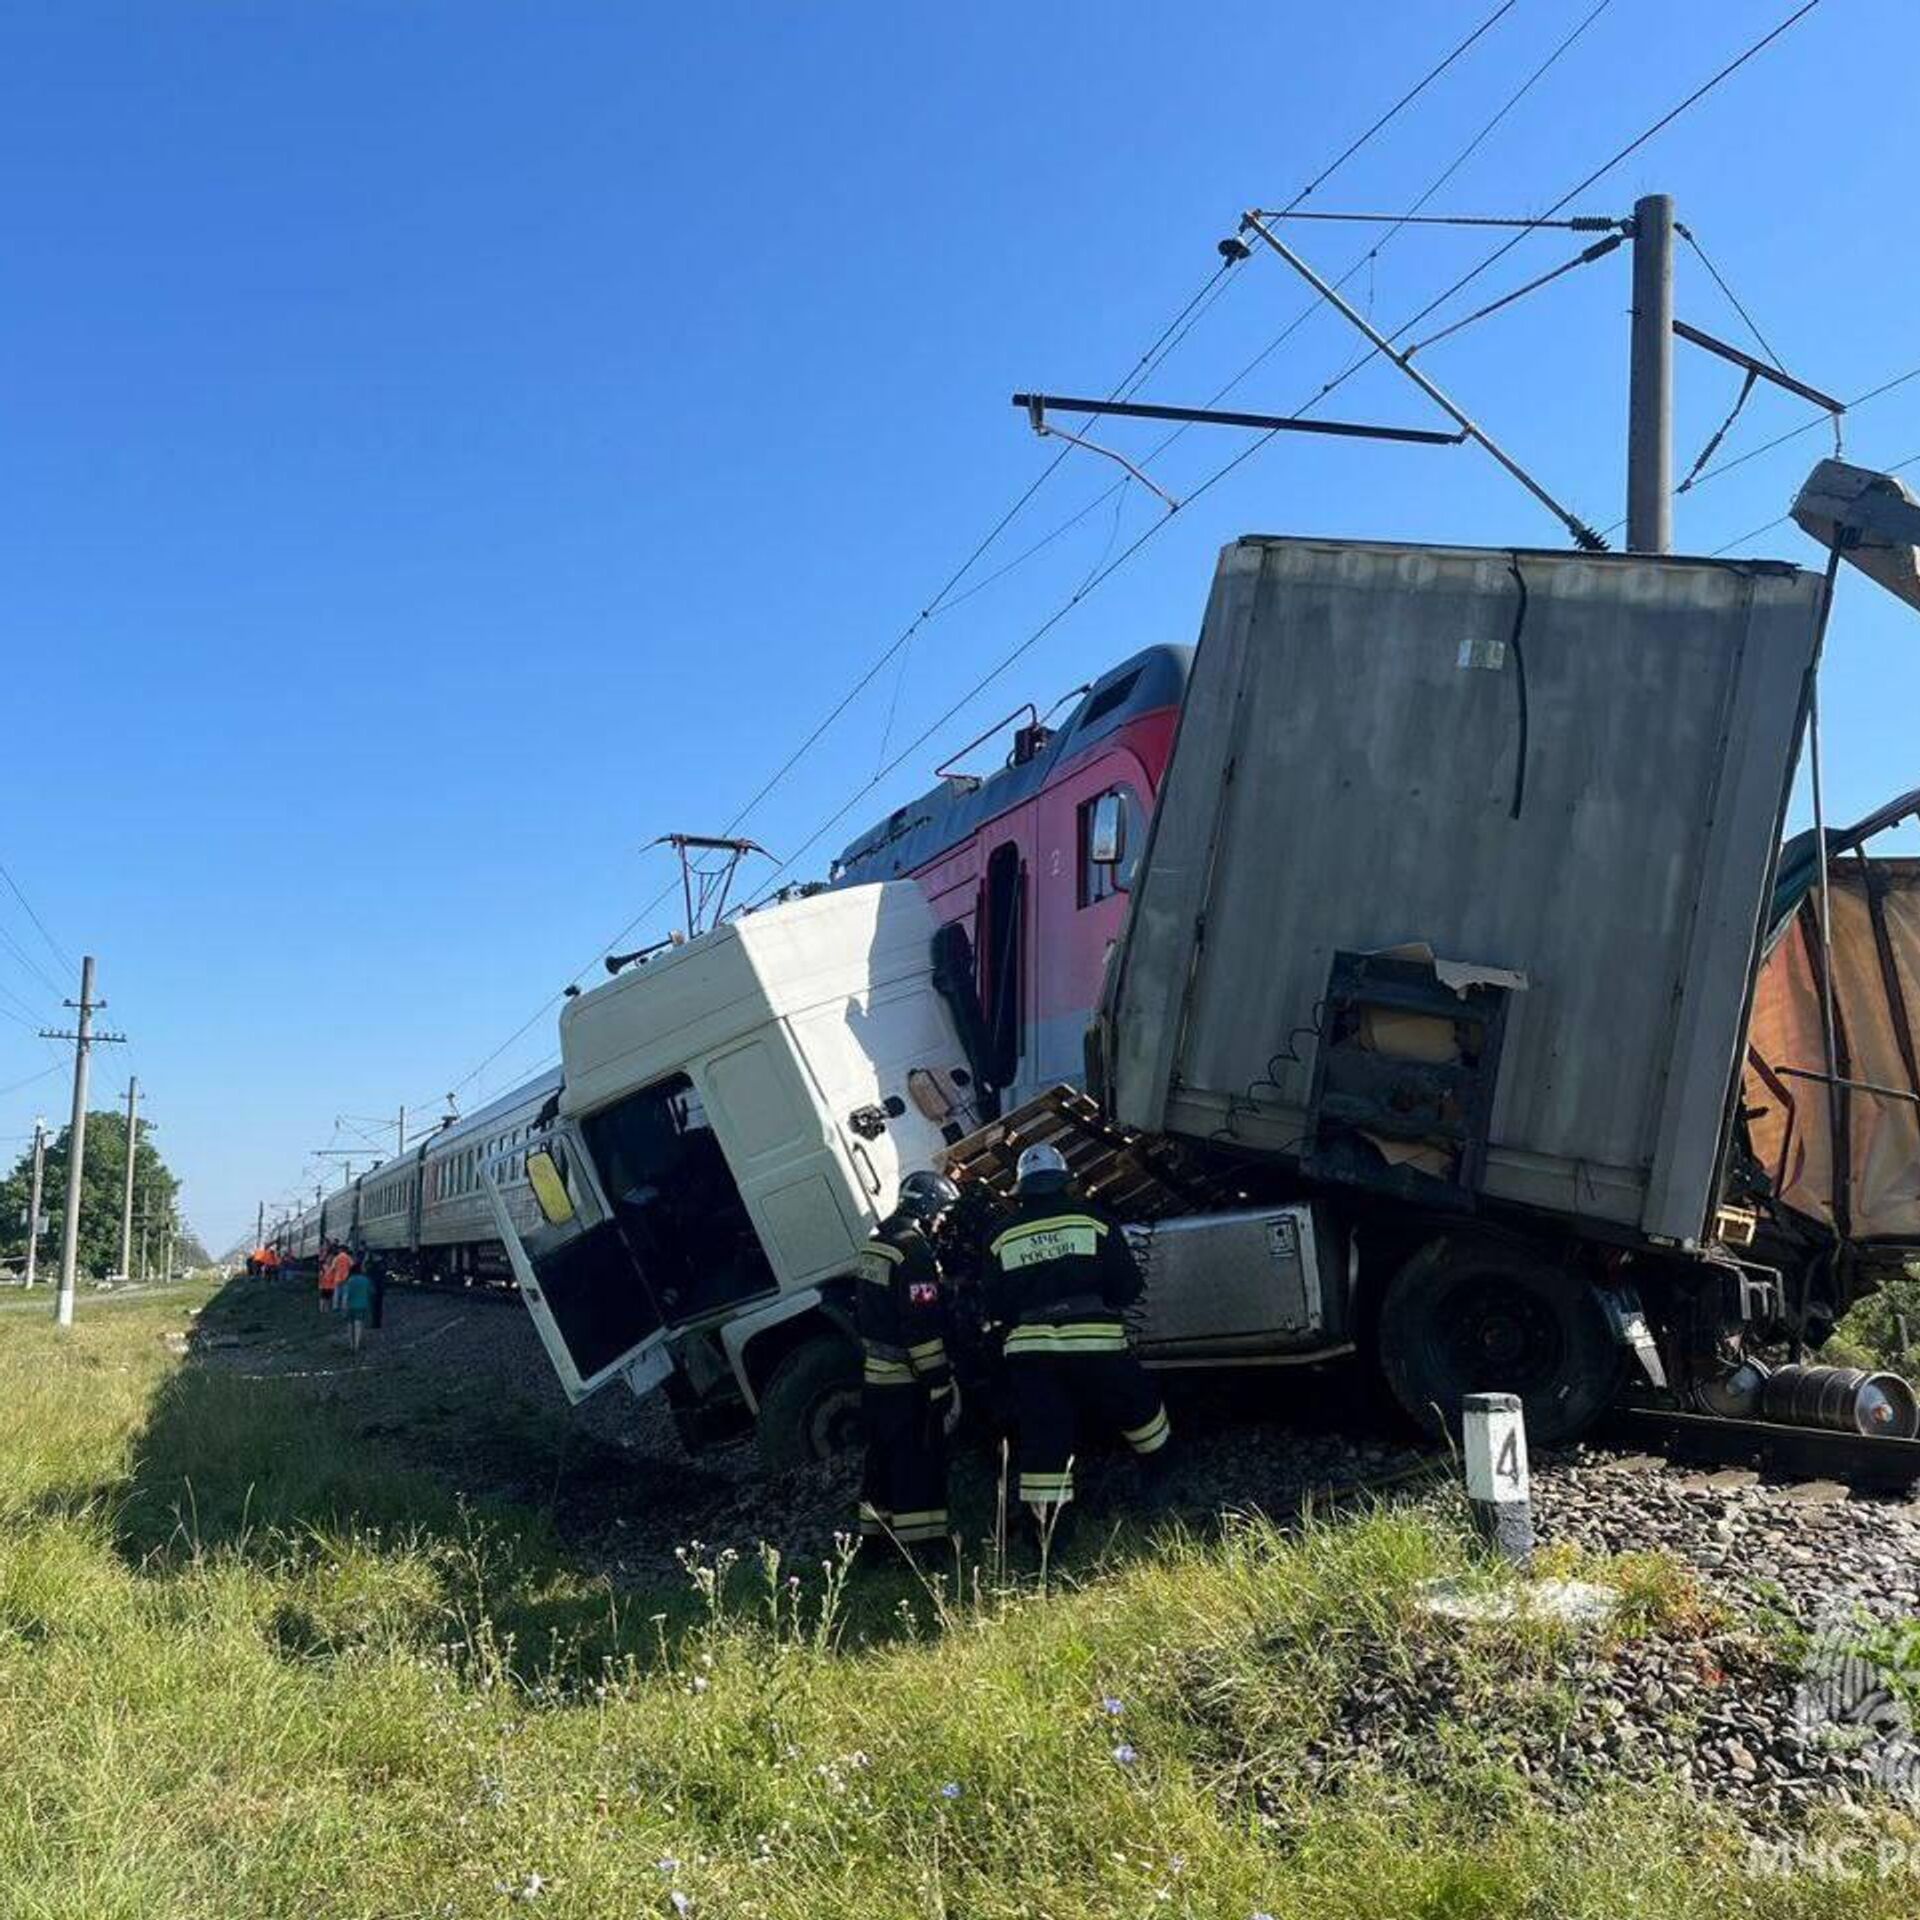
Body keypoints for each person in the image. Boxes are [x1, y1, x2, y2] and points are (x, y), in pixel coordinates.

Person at [981, 1142, 1169, 1537]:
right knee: (1138, 1409)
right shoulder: (1094, 1222)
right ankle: (1161, 1484)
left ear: (1022, 1190)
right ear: (1063, 1183)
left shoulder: (1000, 1237)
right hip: (1097, 1346)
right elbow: (1128, 1289)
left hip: (1032, 1355)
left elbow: (994, 1305)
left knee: (1044, 1437)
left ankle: (1049, 1535)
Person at [856, 1169, 963, 1555]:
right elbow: (921, 1328)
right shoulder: (913, 1251)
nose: (943, 1222)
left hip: (875, 1380)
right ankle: (925, 1547)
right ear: (928, 1208)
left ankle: (874, 1542)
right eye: (942, 1213)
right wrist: (938, 1382)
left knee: (881, 1460)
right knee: (917, 1461)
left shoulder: (876, 1244)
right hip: (906, 1381)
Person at [341, 1255, 374, 1353]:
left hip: (350, 1306)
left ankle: (351, 1344)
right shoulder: (366, 1280)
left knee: (350, 1325)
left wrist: (343, 1307)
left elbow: (345, 1295)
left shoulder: (350, 1281)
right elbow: (371, 1292)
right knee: (358, 1325)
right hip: (362, 1305)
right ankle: (357, 1345)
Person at [320, 1242, 350, 1313]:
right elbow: (352, 1265)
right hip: (346, 1277)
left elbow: (333, 1268)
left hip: (337, 1278)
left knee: (336, 1293)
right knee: (345, 1293)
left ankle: (335, 1306)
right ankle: (343, 1307)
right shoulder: (348, 1257)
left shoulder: (336, 1258)